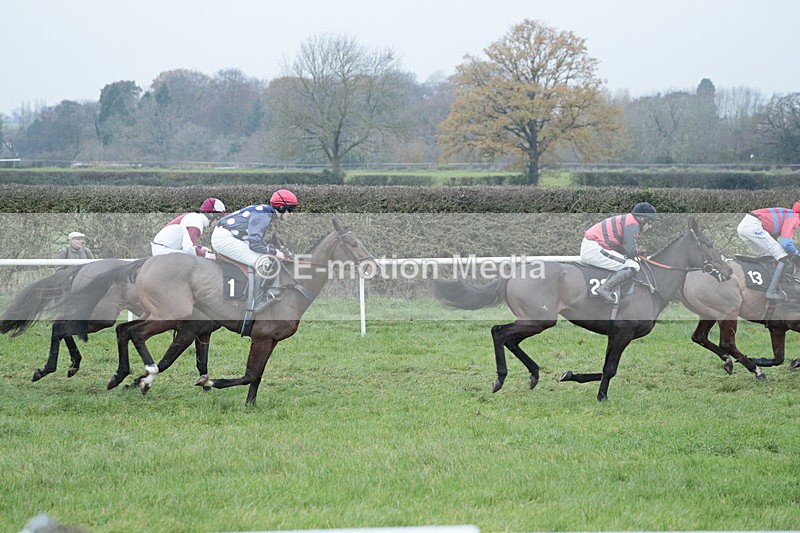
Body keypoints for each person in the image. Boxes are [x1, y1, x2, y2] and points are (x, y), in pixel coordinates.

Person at [580, 202, 658, 305]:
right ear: (642, 218)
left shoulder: (628, 220)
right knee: (633, 266)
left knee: (630, 262)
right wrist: (638, 251)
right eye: (650, 222)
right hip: (594, 249)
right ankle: (605, 289)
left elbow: (623, 248)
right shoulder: (632, 224)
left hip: (594, 246)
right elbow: (630, 251)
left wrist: (636, 252)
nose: (650, 226)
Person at [211, 189, 299, 268]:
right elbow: (254, 244)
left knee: (264, 256)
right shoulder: (263, 216)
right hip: (224, 239)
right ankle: (256, 287)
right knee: (263, 262)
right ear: (281, 207)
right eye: (290, 209)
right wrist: (275, 253)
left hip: (229, 236)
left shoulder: (265, 212)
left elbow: (257, 241)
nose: (291, 213)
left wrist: (274, 251)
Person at [737, 202, 800, 300]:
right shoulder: (794, 218)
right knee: (783, 257)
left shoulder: (789, 214)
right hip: (753, 226)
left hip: (745, 226)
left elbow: (773, 237)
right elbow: (786, 243)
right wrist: (797, 253)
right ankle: (771, 292)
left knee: (770, 256)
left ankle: (765, 285)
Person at [151, 197, 227, 259]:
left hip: (165, 248)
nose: (218, 221)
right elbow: (188, 248)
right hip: (163, 250)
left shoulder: (195, 218)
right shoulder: (196, 222)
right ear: (211, 215)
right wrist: (207, 256)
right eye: (219, 217)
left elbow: (187, 242)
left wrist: (200, 248)